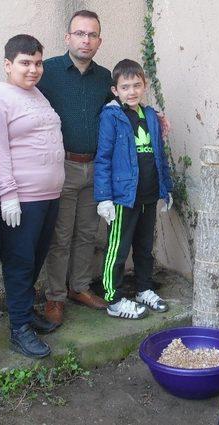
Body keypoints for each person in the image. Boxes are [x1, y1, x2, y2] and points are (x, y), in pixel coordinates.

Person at [0, 34, 65, 359]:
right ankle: (19, 330)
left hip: (48, 196)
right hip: (21, 200)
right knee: (19, 263)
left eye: (38, 63)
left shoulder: (36, 94)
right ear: (8, 64)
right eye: (26, 63)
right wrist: (8, 195)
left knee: (35, 260)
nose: (33, 69)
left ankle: (27, 315)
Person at [37, 10, 114, 325]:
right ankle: (54, 297)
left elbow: (125, 104)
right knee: (61, 235)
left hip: (95, 166)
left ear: (99, 41)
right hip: (62, 165)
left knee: (87, 233)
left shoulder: (105, 77)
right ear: (68, 37)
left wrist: (155, 115)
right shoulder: (48, 72)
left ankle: (79, 287)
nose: (86, 40)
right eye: (80, 33)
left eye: (92, 35)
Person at [94, 59, 173, 319]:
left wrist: (166, 188)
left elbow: (159, 154)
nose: (132, 91)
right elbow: (103, 158)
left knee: (144, 245)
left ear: (144, 86)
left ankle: (144, 289)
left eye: (137, 85)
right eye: (125, 87)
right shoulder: (111, 116)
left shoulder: (150, 115)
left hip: (148, 194)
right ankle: (113, 299)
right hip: (123, 198)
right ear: (115, 90)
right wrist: (104, 197)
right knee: (118, 248)